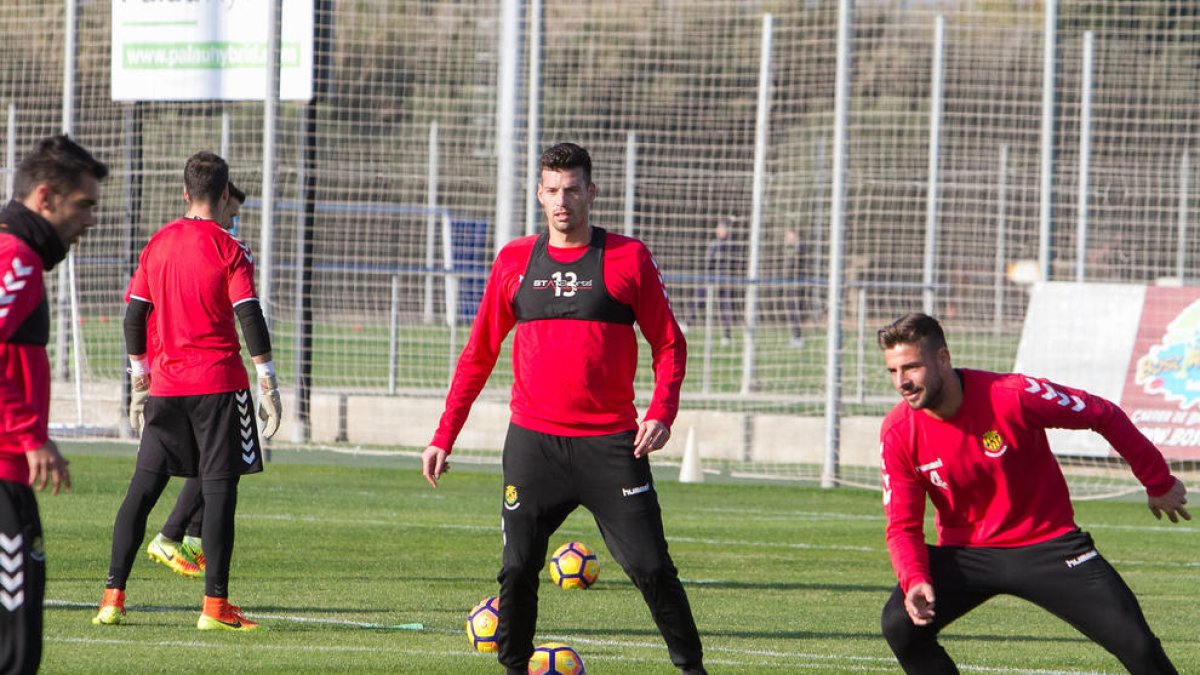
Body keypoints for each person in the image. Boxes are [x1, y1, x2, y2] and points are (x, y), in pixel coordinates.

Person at [421, 142, 707, 675]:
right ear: (539, 194)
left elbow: (669, 343)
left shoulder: (628, 258)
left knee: (650, 566)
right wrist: (444, 434)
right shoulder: (514, 261)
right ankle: (514, 666)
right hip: (534, 446)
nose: (562, 201)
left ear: (591, 193)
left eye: (572, 189)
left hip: (612, 446)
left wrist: (662, 411)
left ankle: (691, 667)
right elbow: (478, 353)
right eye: (552, 190)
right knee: (518, 567)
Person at [876, 312, 1189, 674]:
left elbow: (1103, 414)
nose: (902, 382)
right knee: (900, 623)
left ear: (943, 359)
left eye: (911, 368)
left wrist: (1158, 482)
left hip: (1049, 547)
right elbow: (902, 526)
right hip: (964, 554)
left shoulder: (1013, 395)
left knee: (1139, 647)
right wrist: (914, 579)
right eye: (893, 372)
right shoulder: (898, 432)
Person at [94, 154, 280, 631]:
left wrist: (140, 378)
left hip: (167, 388)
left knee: (141, 492)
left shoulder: (157, 244)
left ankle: (111, 599)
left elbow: (135, 315)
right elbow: (249, 315)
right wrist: (268, 380)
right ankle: (214, 608)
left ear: (184, 194)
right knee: (219, 495)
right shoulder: (229, 248)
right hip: (219, 386)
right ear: (223, 196)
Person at [0, 135, 107, 673]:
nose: (90, 221)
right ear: (45, 197)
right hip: (2, 478)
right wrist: (29, 434)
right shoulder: (13, 258)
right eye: (83, 205)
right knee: (14, 652)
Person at [139, 181, 247, 580]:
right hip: (183, 373)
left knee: (213, 462)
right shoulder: (190, 246)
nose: (231, 223)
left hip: (178, 370)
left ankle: (191, 540)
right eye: (230, 214)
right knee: (215, 463)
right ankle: (170, 537)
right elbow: (145, 312)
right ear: (217, 201)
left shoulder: (183, 245)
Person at [782, 228, 808, 349]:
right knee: (791, 311)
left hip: (797, 285)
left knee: (795, 311)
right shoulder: (789, 250)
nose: (787, 240)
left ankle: (798, 338)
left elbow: (793, 262)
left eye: (790, 237)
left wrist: (792, 244)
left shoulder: (799, 248)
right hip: (790, 285)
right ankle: (795, 337)